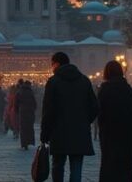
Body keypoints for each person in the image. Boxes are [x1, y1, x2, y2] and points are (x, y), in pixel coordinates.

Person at [41, 51, 98, 182]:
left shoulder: (53, 82)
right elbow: (94, 107)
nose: (52, 67)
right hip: (79, 131)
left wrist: (45, 134)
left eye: (52, 64)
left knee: (58, 165)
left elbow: (48, 110)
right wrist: (84, 121)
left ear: (57, 64)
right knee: (76, 167)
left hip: (58, 131)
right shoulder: (84, 80)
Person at [97, 61, 132, 182]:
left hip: (109, 134)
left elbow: (99, 112)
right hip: (127, 134)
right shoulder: (128, 89)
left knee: (109, 165)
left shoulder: (104, 90)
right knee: (126, 166)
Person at [16, 79, 37, 150]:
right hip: (30, 111)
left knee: (23, 128)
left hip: (22, 111)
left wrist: (16, 110)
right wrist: (34, 109)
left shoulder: (20, 91)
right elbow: (34, 102)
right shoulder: (31, 92)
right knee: (29, 127)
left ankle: (24, 143)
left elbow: (17, 102)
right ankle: (29, 141)